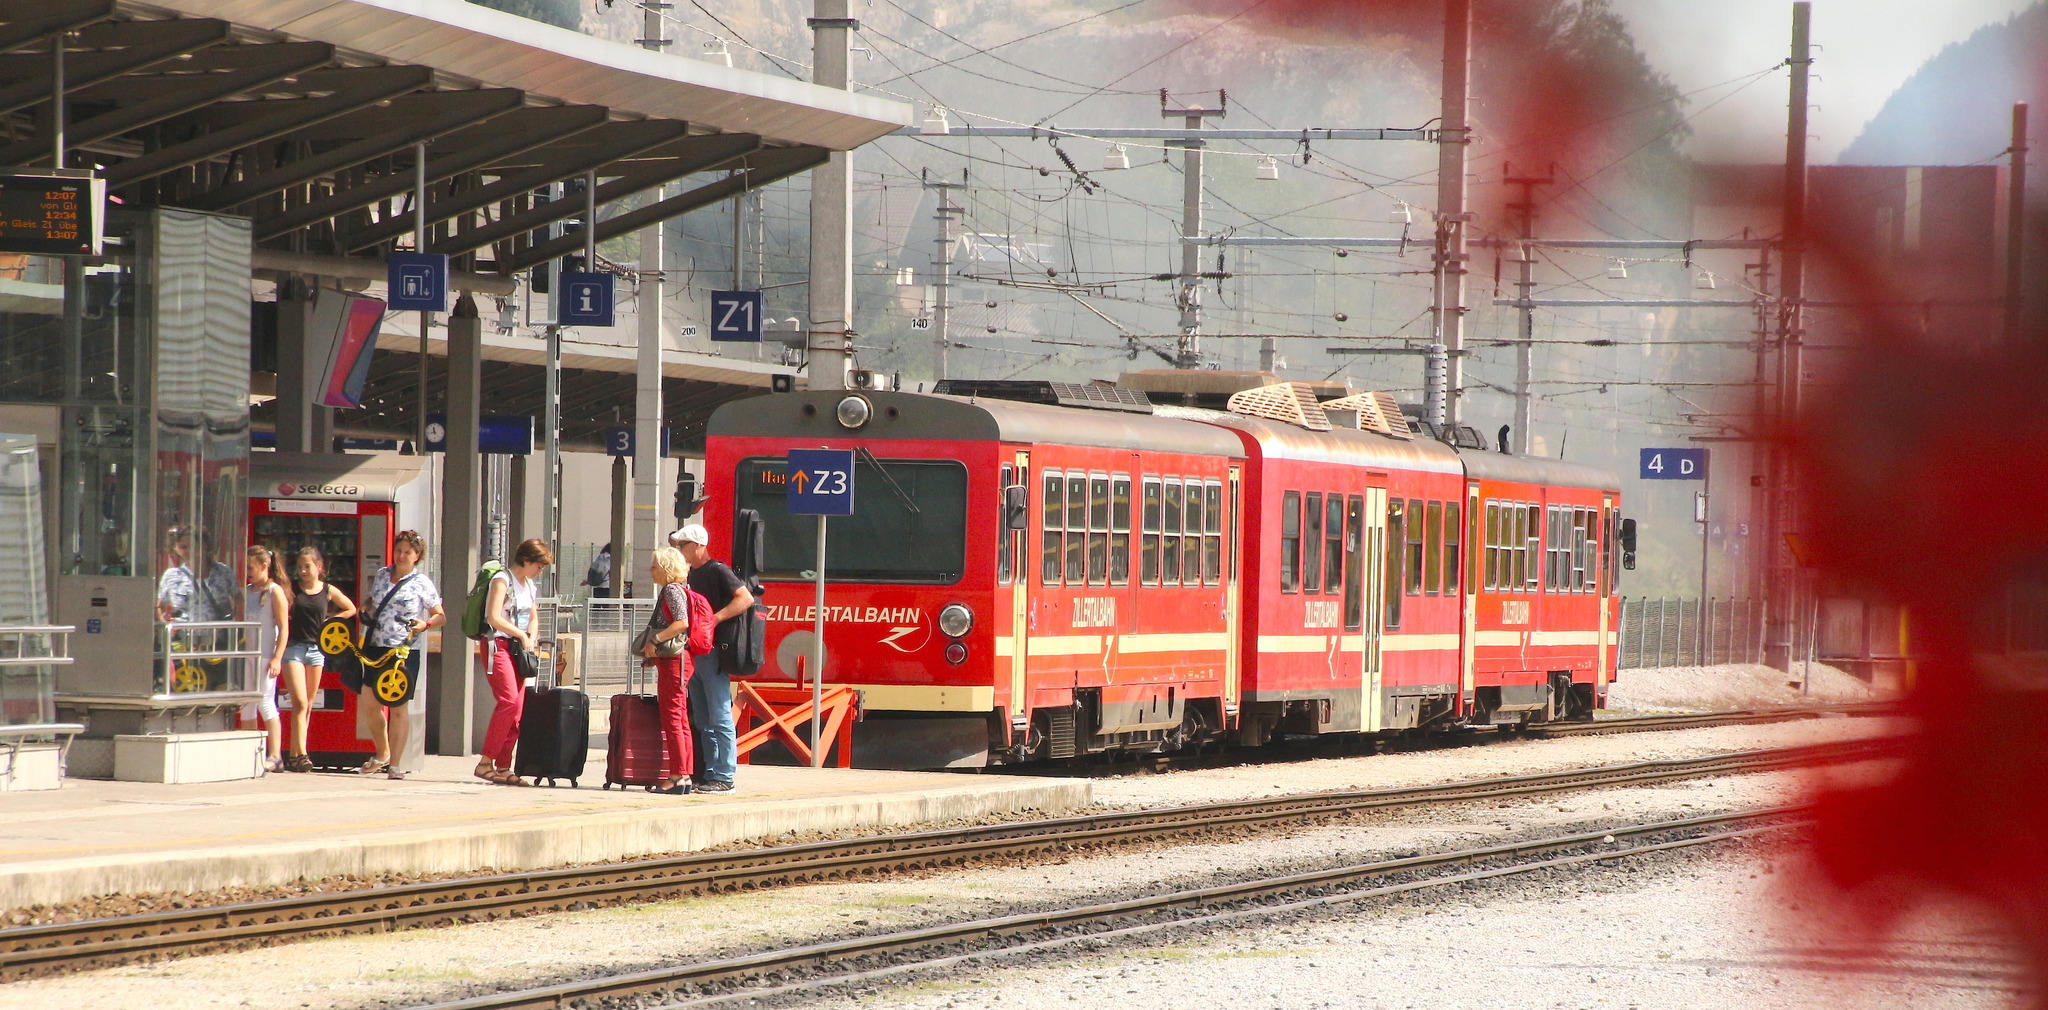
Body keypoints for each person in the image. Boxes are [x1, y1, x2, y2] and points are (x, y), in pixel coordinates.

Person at [670, 523, 752, 793]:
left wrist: (713, 620)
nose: (679, 550)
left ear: (698, 546)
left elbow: (745, 598)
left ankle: (725, 775)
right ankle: (710, 773)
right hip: (695, 650)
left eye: (683, 545)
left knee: (719, 714)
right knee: (703, 717)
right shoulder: (689, 574)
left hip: (713, 650)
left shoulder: (717, 570)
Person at [356, 530, 444, 780]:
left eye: (408, 552)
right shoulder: (384, 574)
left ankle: (395, 764)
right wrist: (365, 606)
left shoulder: (421, 583)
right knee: (370, 704)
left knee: (398, 708)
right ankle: (382, 752)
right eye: (399, 550)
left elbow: (440, 615)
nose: (402, 555)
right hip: (375, 645)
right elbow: (375, 600)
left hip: (403, 650)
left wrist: (425, 625)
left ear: (417, 556)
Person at [478, 538, 550, 786]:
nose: (540, 572)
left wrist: (530, 635)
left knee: (517, 709)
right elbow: (494, 616)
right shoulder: (502, 580)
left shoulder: (529, 585)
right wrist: (520, 634)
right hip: (498, 645)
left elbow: (533, 616)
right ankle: (486, 761)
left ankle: (503, 765)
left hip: (519, 650)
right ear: (526, 560)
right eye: (538, 566)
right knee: (508, 701)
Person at [284, 546, 356, 771]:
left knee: (308, 705)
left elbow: (351, 609)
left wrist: (331, 620)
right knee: (300, 702)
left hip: (316, 650)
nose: (303, 571)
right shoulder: (292, 590)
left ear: (319, 567)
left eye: (308, 566)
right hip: (293, 648)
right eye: (300, 567)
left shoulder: (328, 590)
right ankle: (301, 753)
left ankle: (296, 755)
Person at [642, 546, 695, 795]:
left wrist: (655, 641)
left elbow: (681, 623)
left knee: (673, 717)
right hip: (680, 660)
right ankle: (684, 774)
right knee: (681, 718)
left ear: (664, 569)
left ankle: (676, 775)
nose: (650, 570)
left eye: (654, 566)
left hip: (674, 661)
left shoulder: (672, 590)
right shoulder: (683, 588)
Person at [243, 546, 290, 774]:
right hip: (247, 656)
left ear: (264, 566)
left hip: (265, 656)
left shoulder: (274, 591)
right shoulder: (247, 591)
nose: (248, 572)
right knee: (247, 705)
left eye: (251, 567)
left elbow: (283, 627)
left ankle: (275, 754)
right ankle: (250, 752)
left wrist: (277, 658)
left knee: (265, 702)